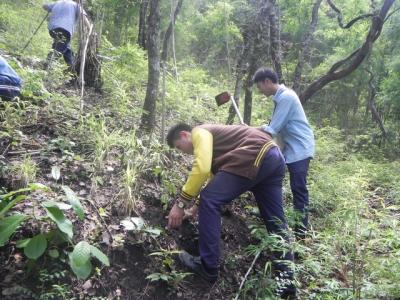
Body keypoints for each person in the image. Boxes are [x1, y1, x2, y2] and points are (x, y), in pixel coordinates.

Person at [166, 123, 296, 298]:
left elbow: (202, 169)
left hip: (256, 154)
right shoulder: (221, 144)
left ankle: (208, 267)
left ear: (184, 135)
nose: (184, 153)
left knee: (210, 199)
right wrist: (195, 208)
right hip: (272, 158)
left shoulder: (200, 132)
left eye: (180, 147)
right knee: (276, 223)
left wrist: (180, 204)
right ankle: (288, 285)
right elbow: (214, 181)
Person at [253, 67, 315, 240]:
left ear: (267, 81)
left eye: (259, 86)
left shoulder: (286, 97)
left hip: (300, 150)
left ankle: (300, 233)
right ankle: (271, 213)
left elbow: (273, 129)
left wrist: (249, 131)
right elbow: (277, 129)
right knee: (273, 179)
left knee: (298, 190)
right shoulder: (280, 98)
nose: (260, 90)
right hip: (290, 149)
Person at [43, 0, 90, 66]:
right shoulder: (77, 6)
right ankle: (48, 64)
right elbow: (84, 18)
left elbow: (45, 6)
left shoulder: (59, 2)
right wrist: (90, 30)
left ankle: (71, 65)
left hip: (52, 28)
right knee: (59, 47)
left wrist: (50, 8)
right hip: (65, 29)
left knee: (65, 47)